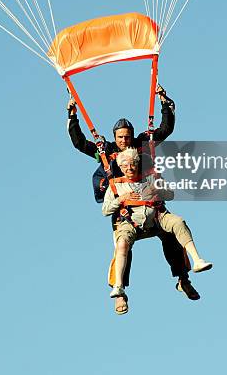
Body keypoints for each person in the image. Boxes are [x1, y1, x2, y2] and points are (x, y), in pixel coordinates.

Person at [66, 85, 200, 314]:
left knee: (173, 237)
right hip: (125, 213)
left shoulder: (143, 145)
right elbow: (80, 143)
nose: (125, 141)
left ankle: (183, 279)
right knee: (122, 247)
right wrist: (72, 116)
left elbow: (165, 129)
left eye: (127, 137)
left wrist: (165, 103)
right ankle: (119, 293)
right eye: (120, 137)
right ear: (114, 137)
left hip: (152, 207)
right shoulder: (105, 152)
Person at [102, 147, 212, 306]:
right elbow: (105, 210)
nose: (129, 168)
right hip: (131, 222)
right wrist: (121, 200)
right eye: (125, 165)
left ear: (137, 164)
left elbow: (170, 195)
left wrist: (158, 189)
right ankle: (118, 286)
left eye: (132, 164)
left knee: (178, 222)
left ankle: (197, 260)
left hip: (157, 218)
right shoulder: (115, 186)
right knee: (121, 244)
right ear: (120, 168)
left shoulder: (150, 179)